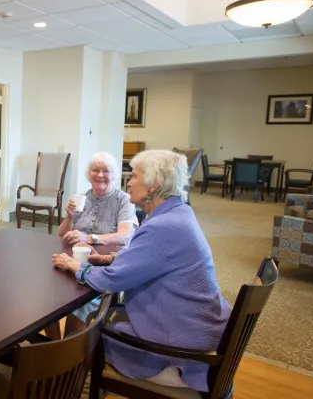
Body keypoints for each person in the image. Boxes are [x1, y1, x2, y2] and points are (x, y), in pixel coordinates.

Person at [51, 149, 231, 392]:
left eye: (134, 176)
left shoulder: (162, 225)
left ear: (154, 185)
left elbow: (113, 280)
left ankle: (75, 387)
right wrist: (109, 258)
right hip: (199, 326)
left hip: (181, 349)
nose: (129, 181)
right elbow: (146, 258)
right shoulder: (178, 213)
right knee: (103, 316)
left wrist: (76, 266)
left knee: (93, 329)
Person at [44, 152, 137, 340]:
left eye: (106, 171)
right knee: (47, 295)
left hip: (104, 265)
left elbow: (125, 236)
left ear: (114, 174)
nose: (100, 175)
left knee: (80, 304)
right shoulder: (82, 198)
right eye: (95, 170)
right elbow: (61, 235)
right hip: (74, 260)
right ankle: (53, 346)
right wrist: (70, 215)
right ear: (89, 173)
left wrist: (89, 237)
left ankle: (72, 355)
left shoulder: (123, 200)